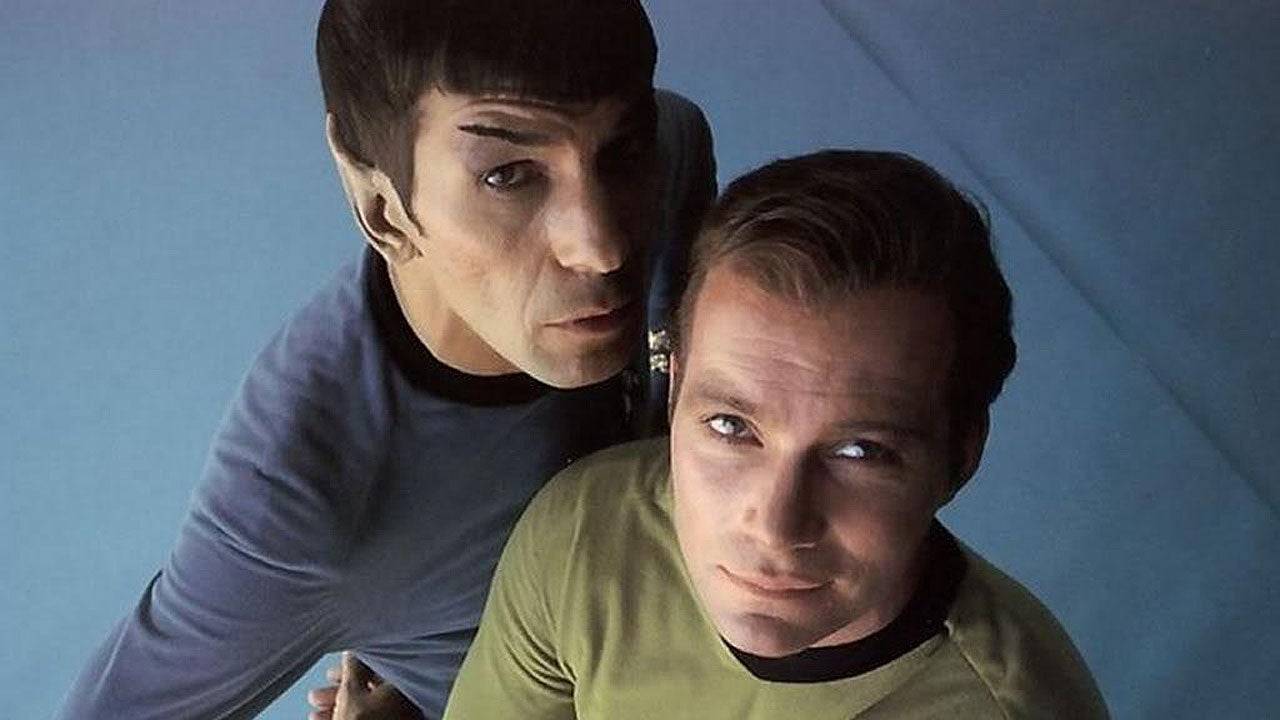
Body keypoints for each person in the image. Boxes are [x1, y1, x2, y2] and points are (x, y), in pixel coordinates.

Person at [55, 0, 715, 718]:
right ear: (378, 205)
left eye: (623, 150)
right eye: (508, 175)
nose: (602, 246)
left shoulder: (670, 152)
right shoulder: (305, 500)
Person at [438, 150, 1109, 718]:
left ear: (960, 458)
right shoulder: (585, 533)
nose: (776, 525)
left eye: (860, 452)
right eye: (731, 427)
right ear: (675, 390)